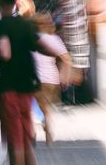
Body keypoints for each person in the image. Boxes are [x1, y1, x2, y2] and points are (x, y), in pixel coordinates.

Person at [0, 0, 55, 165]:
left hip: (10, 90)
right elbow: (44, 47)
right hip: (28, 89)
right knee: (25, 140)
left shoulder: (1, 26)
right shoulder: (26, 25)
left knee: (15, 143)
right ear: (17, 1)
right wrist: (62, 57)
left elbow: (5, 54)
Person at [31, 13, 72, 146]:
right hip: (52, 80)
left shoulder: (31, 38)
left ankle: (36, 131)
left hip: (35, 79)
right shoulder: (55, 39)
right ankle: (46, 127)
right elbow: (67, 60)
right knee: (46, 109)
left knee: (34, 108)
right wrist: (64, 76)